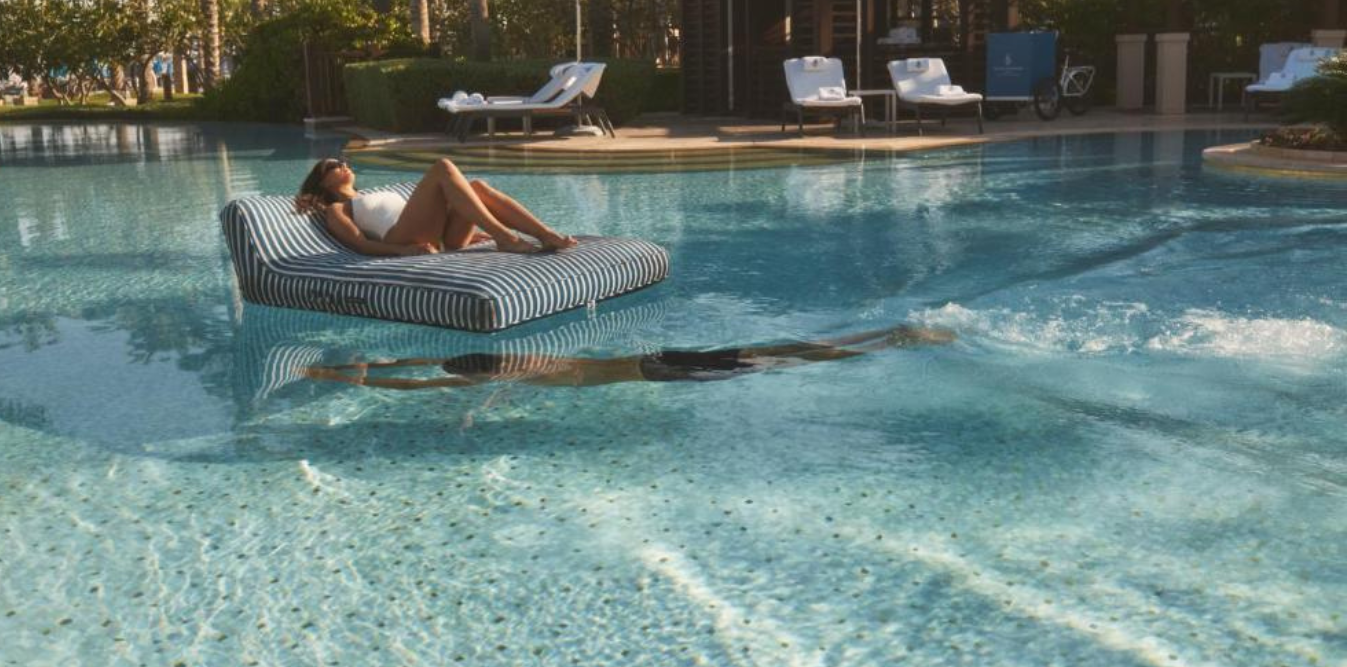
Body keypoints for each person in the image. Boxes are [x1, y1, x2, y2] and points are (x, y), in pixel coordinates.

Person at [301, 324, 956, 390]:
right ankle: (886, 337)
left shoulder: (492, 379)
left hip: (658, 370)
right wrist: (355, 370)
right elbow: (420, 372)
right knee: (775, 351)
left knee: (779, 359)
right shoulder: (513, 358)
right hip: (657, 355)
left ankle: (886, 343)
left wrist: (349, 376)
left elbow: (422, 382)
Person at [294, 156, 577, 256]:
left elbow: (427, 216)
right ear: (322, 183)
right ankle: (505, 237)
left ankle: (544, 233)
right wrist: (401, 251)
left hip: (436, 238)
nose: (343, 165)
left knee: (476, 186)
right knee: (442, 167)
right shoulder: (337, 210)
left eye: (343, 161)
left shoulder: (368, 193)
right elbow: (361, 246)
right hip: (402, 237)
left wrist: (461, 231)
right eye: (333, 166)